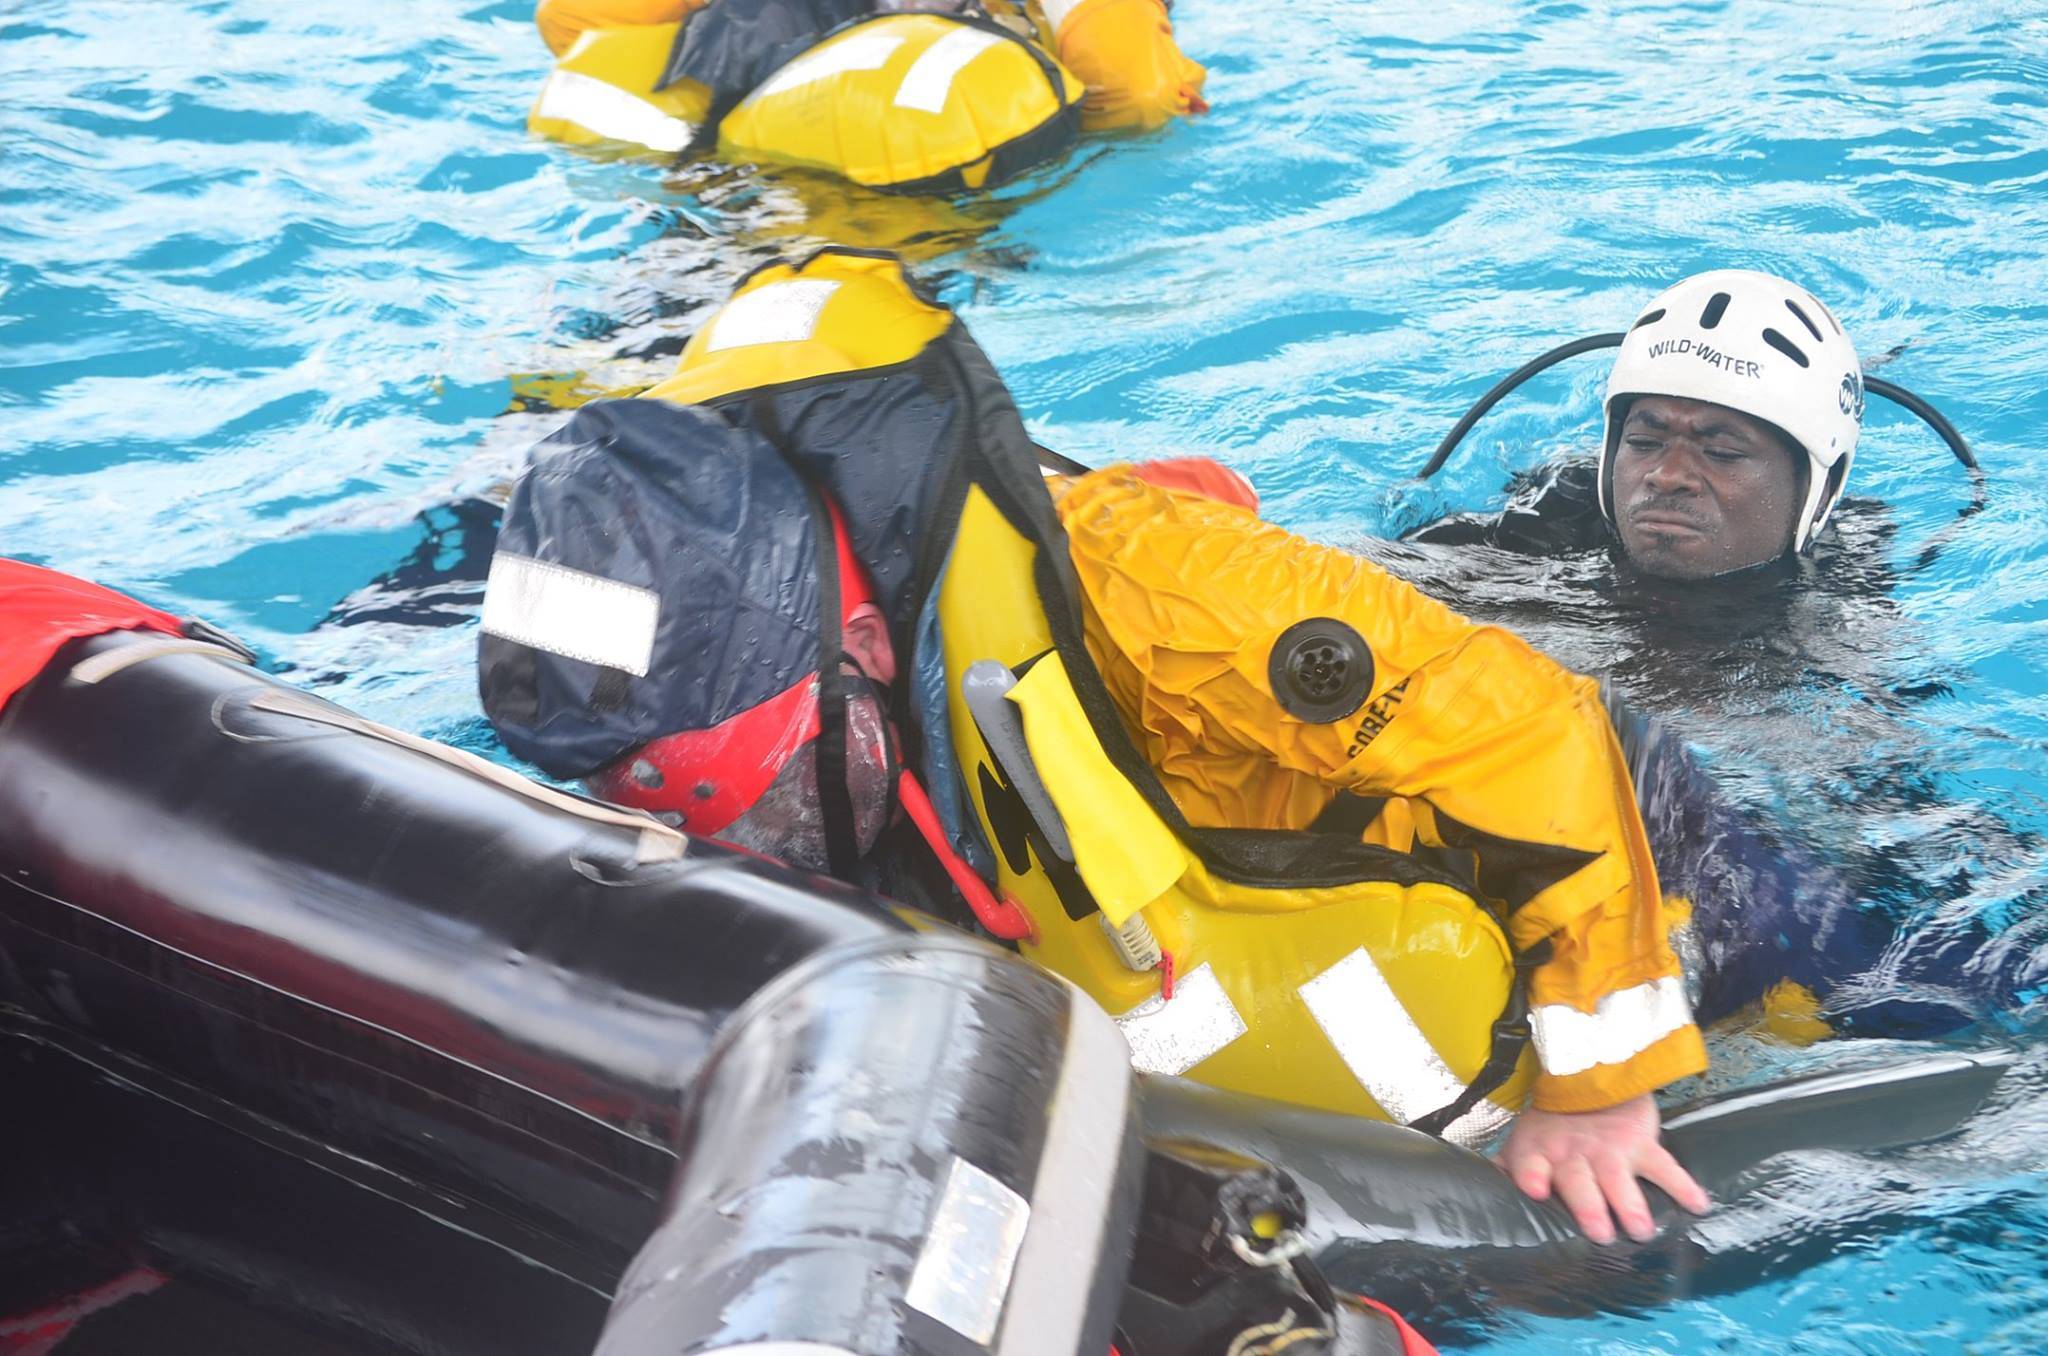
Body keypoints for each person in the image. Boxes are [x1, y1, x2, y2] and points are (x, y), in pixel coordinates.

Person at [478, 248, 1719, 1245]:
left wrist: (1601, 1083)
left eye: (768, 802)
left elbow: (1526, 724)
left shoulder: (1155, 595)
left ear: (858, 643)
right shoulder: (720, 675)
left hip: (1629, 849)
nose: (766, 851)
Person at [1409, 269, 1866, 581]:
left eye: (1721, 453)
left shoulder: (1843, 596)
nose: (1667, 475)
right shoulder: (1556, 515)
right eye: (1645, 442)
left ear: (1819, 491)